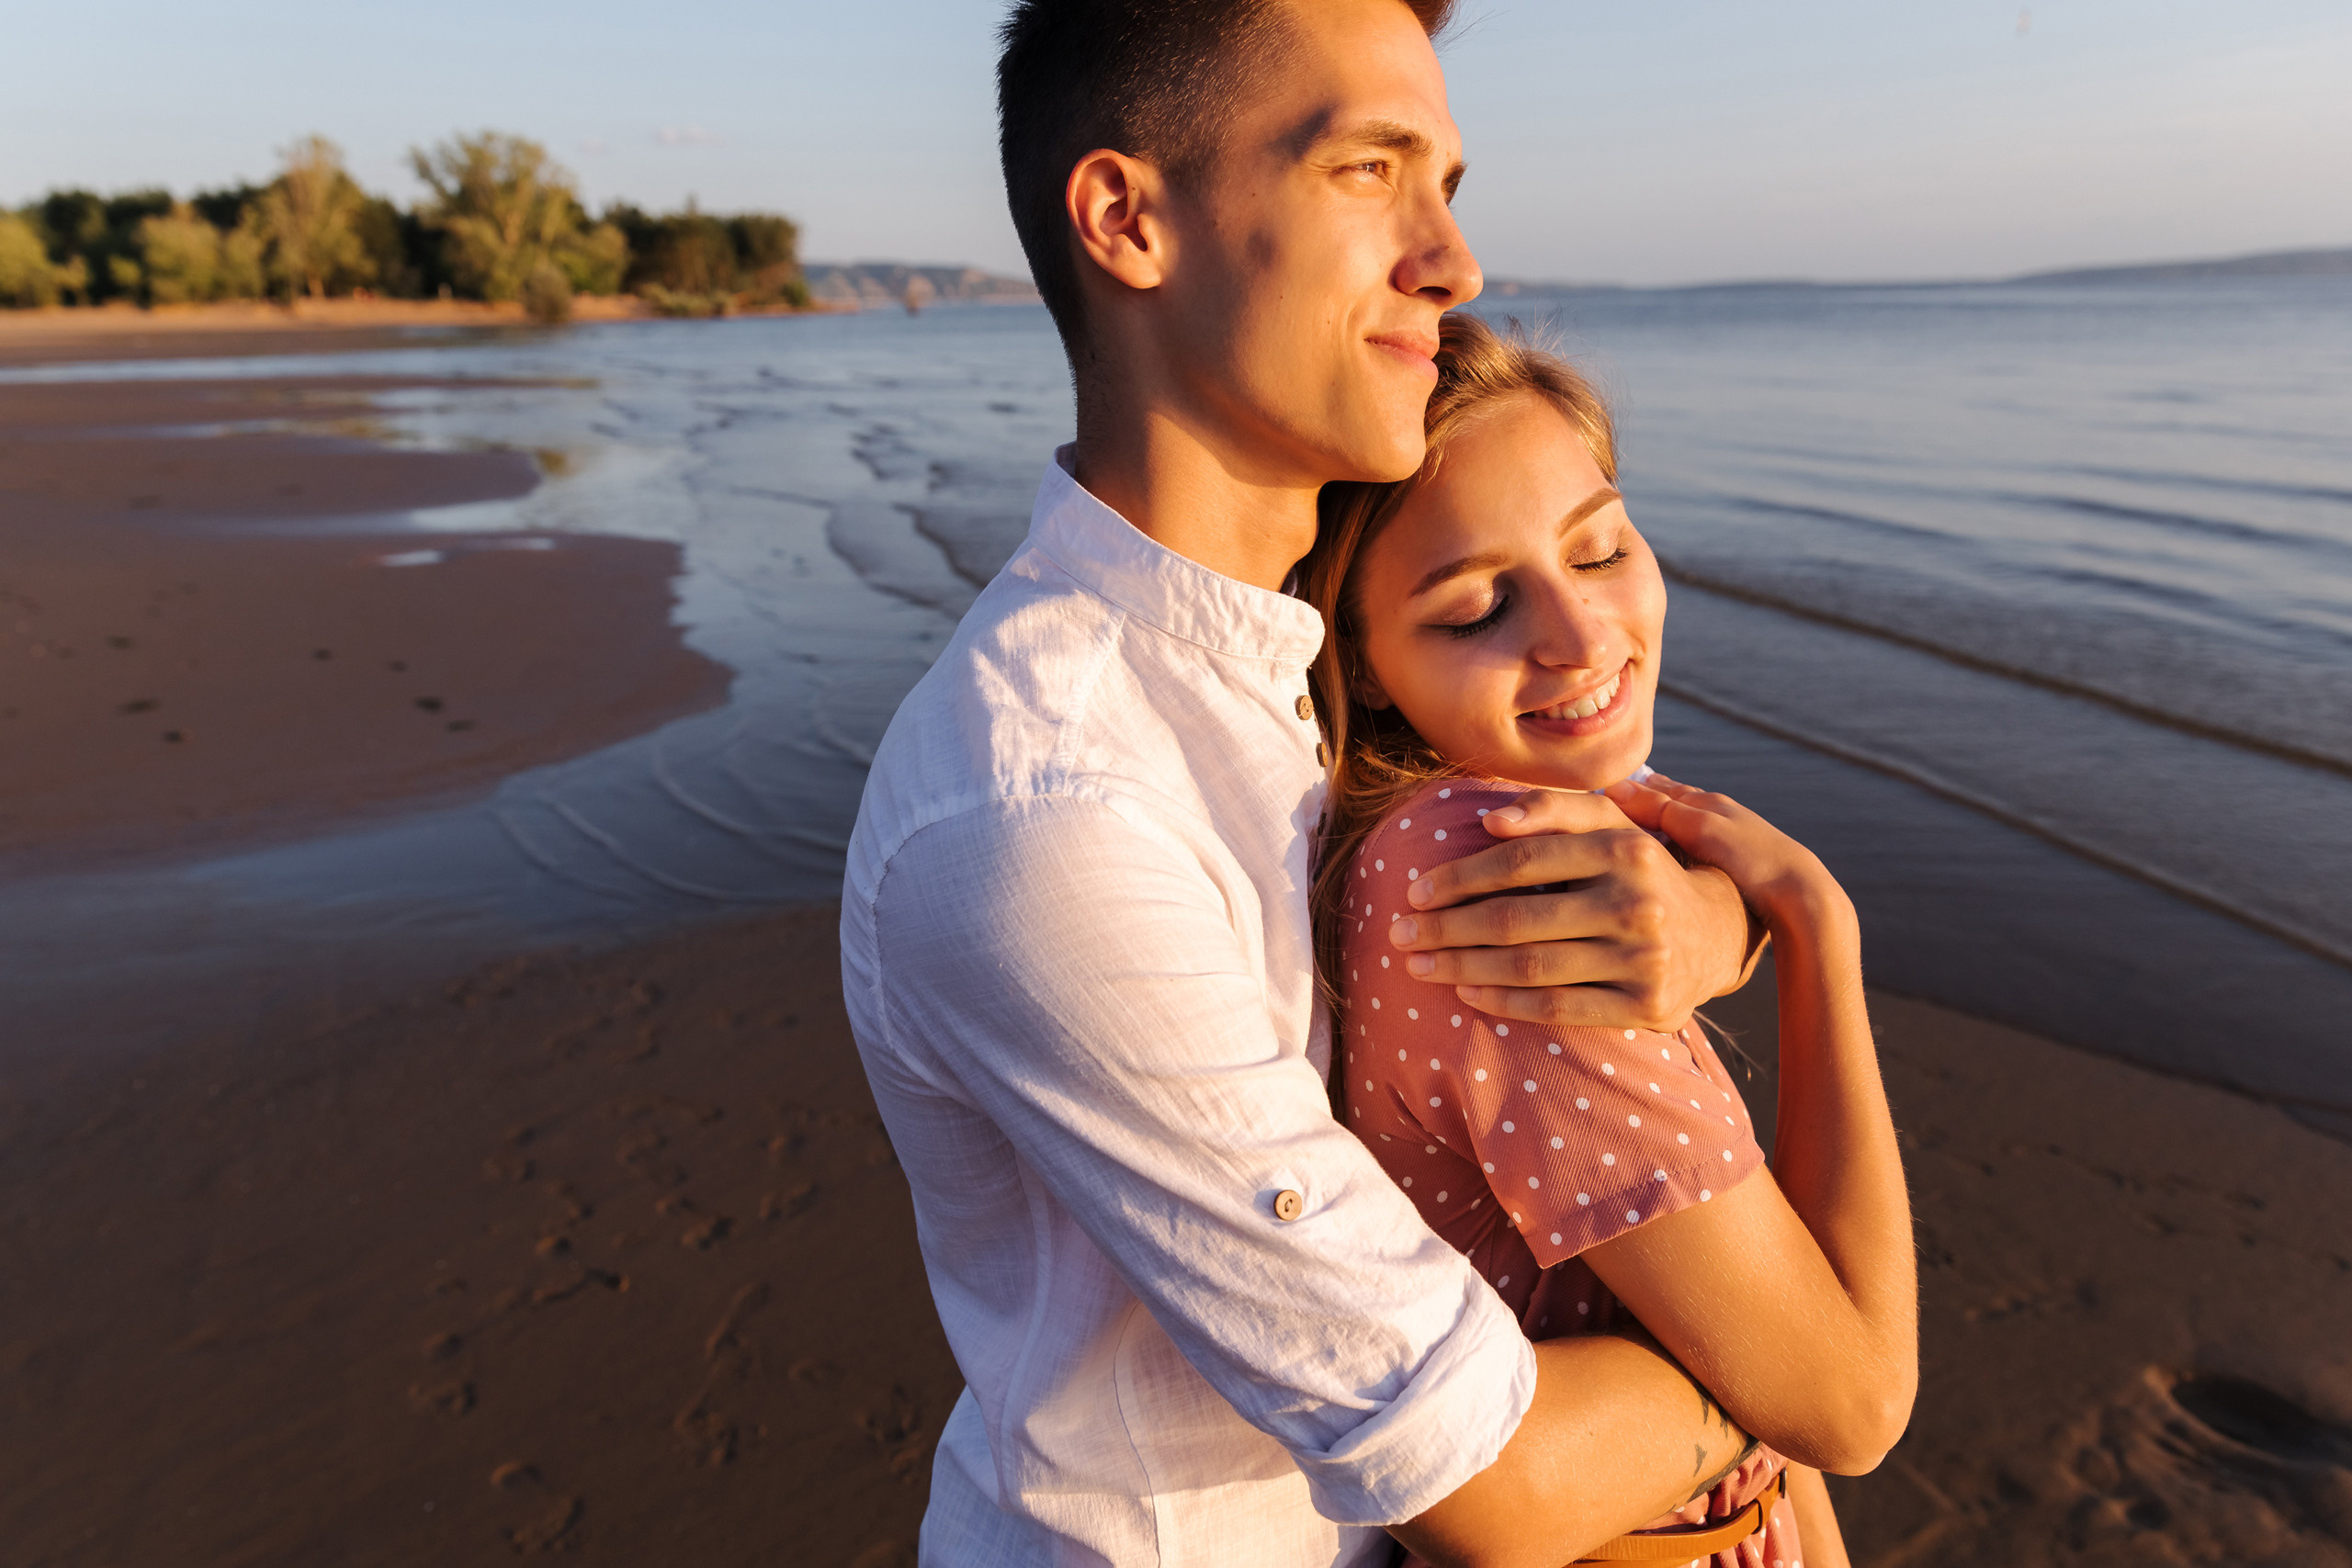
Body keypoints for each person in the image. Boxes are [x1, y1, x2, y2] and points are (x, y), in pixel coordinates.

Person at [842, 2, 1766, 1562]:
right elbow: (1494, 1481)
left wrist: (1722, 915)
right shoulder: (1050, 816)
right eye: (1367, 171)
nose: (1453, 262)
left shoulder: (1308, 668)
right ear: (1127, 220)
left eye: (1449, 183)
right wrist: (1772, 1389)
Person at [1302, 314, 1919, 1567]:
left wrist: (1728, 909)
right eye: (1477, 607)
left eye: (1601, 549)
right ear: (1360, 663)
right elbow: (1852, 1402)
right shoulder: (1502, 881)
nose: (1583, 639)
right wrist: (1815, 928)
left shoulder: (1446, 821)